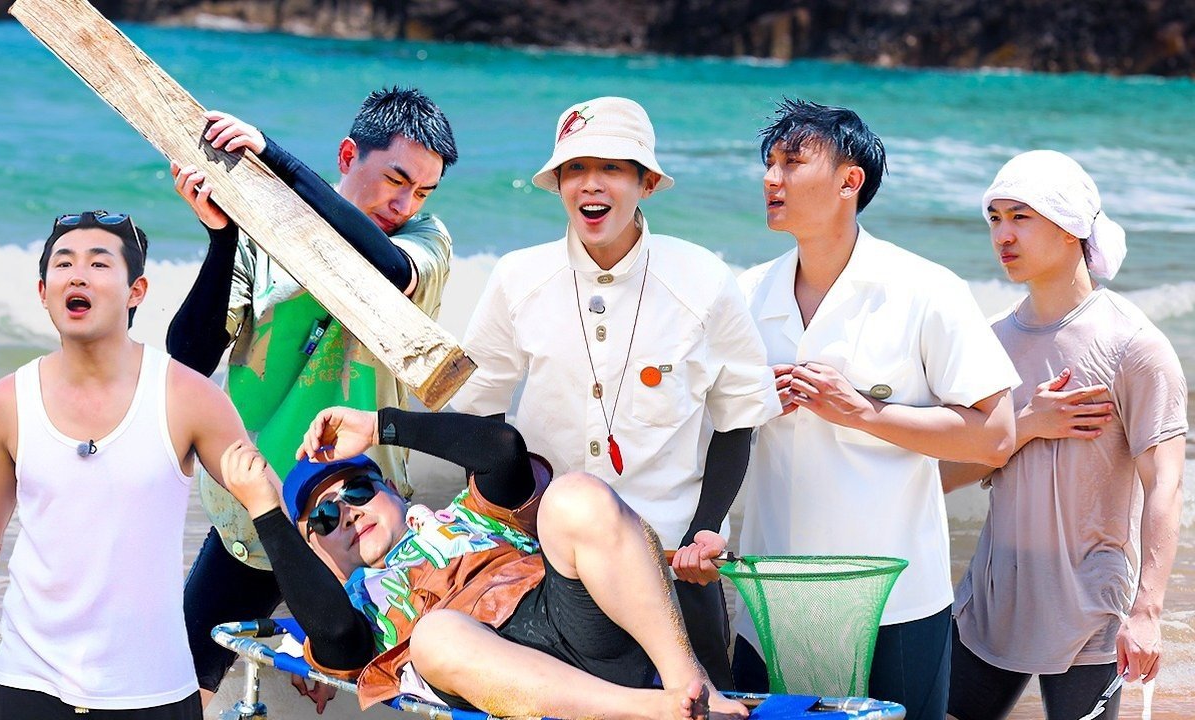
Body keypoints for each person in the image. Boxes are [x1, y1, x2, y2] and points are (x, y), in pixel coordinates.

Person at [451, 96, 776, 688]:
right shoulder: (519, 278)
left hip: (674, 564)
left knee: (702, 700)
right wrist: (495, 530)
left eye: (612, 168)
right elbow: (479, 415)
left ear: (646, 182)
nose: (591, 184)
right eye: (574, 168)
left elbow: (738, 419)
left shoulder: (702, 280)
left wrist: (705, 531)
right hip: (549, 568)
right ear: (557, 183)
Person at [166, 87, 457, 703]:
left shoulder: (426, 239)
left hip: (365, 521)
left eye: (423, 192)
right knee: (183, 683)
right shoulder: (264, 232)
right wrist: (223, 237)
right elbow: (188, 357)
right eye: (396, 180)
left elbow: (389, 271)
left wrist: (275, 158)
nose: (405, 204)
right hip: (258, 507)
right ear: (348, 155)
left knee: (372, 692)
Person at [733, 99, 1020, 719]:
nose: (771, 178)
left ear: (849, 181)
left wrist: (863, 413)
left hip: (898, 599)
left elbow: (995, 435)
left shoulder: (926, 289)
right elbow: (702, 426)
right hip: (770, 592)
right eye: (769, 163)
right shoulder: (746, 293)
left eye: (791, 163)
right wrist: (752, 402)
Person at [0, 212, 254, 720]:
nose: (78, 275)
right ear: (42, 291)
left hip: (153, 691)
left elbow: (265, 511)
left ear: (136, 291)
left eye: (99, 264)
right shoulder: (8, 402)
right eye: (63, 264)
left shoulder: (188, 397)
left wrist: (325, 630)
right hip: (26, 685)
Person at [219, 403, 751, 720]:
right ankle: (648, 711)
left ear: (395, 492)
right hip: (493, 671)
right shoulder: (352, 612)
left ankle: (691, 684)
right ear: (315, 552)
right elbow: (332, 629)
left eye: (358, 490)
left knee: (575, 494)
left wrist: (382, 426)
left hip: (571, 616)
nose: (349, 514)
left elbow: (502, 450)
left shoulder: (470, 513)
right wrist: (264, 507)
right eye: (325, 517)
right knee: (434, 635)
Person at [941, 151, 1186, 720]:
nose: (1002, 235)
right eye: (994, 218)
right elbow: (943, 475)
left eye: (1020, 217)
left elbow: (1165, 484)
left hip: (1090, 607)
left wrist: (1147, 610)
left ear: (1071, 225)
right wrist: (1027, 425)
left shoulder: (1134, 345)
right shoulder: (989, 341)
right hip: (994, 597)